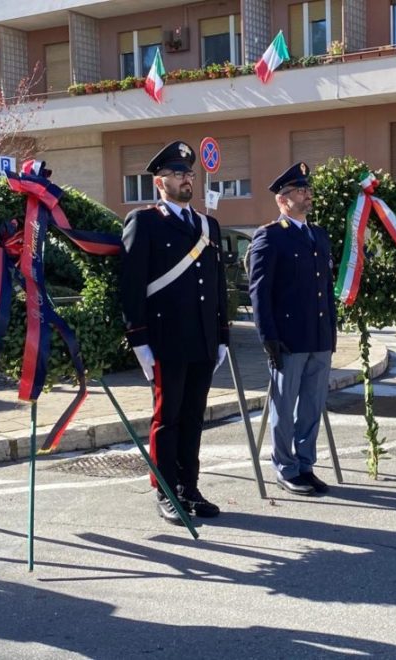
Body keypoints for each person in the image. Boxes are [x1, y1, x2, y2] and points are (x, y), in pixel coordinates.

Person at [120, 141, 229, 525]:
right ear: (159, 182)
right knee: (168, 419)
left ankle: (189, 487)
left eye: (189, 173)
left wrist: (222, 337)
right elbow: (131, 286)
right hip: (166, 339)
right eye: (179, 173)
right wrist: (139, 341)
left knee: (194, 416)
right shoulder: (144, 221)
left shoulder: (207, 225)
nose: (187, 179)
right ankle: (166, 490)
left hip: (201, 338)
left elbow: (216, 285)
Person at [249, 162, 337, 495]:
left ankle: (305, 464)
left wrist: (331, 330)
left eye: (307, 190)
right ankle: (286, 468)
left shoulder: (319, 234)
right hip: (288, 338)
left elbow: (325, 288)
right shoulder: (270, 237)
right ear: (283, 200)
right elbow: (260, 291)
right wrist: (268, 336)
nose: (307, 195)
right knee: (284, 408)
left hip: (317, 336)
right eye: (301, 191)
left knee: (313, 406)